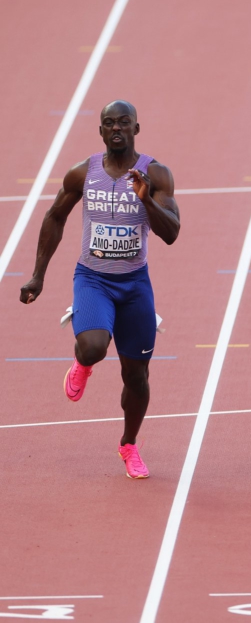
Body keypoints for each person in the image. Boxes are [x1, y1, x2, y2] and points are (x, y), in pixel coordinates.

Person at [19, 100, 180, 479]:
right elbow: (54, 217)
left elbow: (171, 233)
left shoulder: (156, 173)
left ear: (136, 128)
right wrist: (38, 275)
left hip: (135, 284)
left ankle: (128, 444)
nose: (116, 128)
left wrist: (145, 200)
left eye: (124, 122)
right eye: (109, 123)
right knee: (93, 347)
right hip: (93, 279)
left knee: (136, 377)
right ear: (102, 132)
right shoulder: (83, 173)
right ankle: (82, 362)